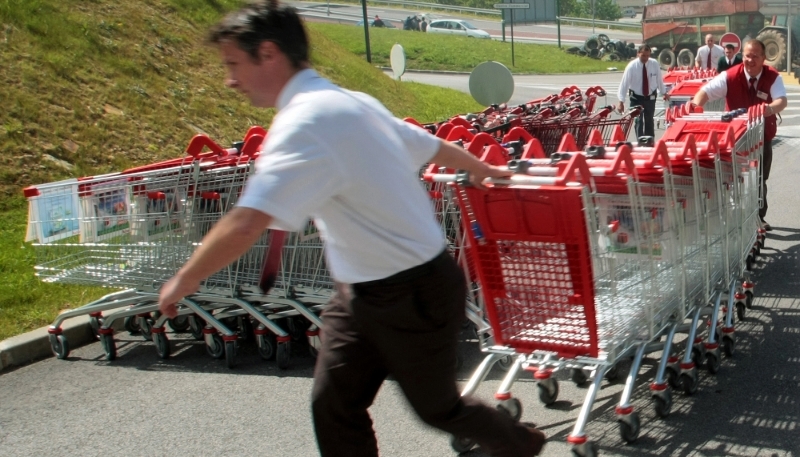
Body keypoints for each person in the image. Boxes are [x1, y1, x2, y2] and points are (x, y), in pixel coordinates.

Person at [157, 2, 547, 456]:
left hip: (412, 291)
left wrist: (185, 278)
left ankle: (520, 444)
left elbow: (246, 221)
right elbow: (430, 144)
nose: (229, 79)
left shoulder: (307, 123)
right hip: (361, 291)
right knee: (333, 406)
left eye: (232, 64)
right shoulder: (350, 102)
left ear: (268, 53)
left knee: (438, 408)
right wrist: (479, 167)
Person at [692, 39, 788, 231]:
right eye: (747, 56)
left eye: (755, 56)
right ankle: (733, 216)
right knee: (732, 177)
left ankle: (759, 216)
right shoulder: (730, 76)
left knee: (759, 177)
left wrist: (768, 109)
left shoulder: (772, 77)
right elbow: (704, 92)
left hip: (762, 136)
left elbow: (781, 101)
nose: (750, 60)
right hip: (735, 138)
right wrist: (696, 107)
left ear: (763, 58)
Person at [617, 44, 668, 139]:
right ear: (638, 54)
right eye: (643, 55)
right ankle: (640, 141)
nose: (646, 58)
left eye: (648, 55)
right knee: (638, 121)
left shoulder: (654, 64)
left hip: (650, 97)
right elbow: (624, 83)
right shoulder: (632, 66)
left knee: (649, 121)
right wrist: (621, 101)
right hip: (636, 97)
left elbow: (659, 80)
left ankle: (650, 141)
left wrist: (664, 92)